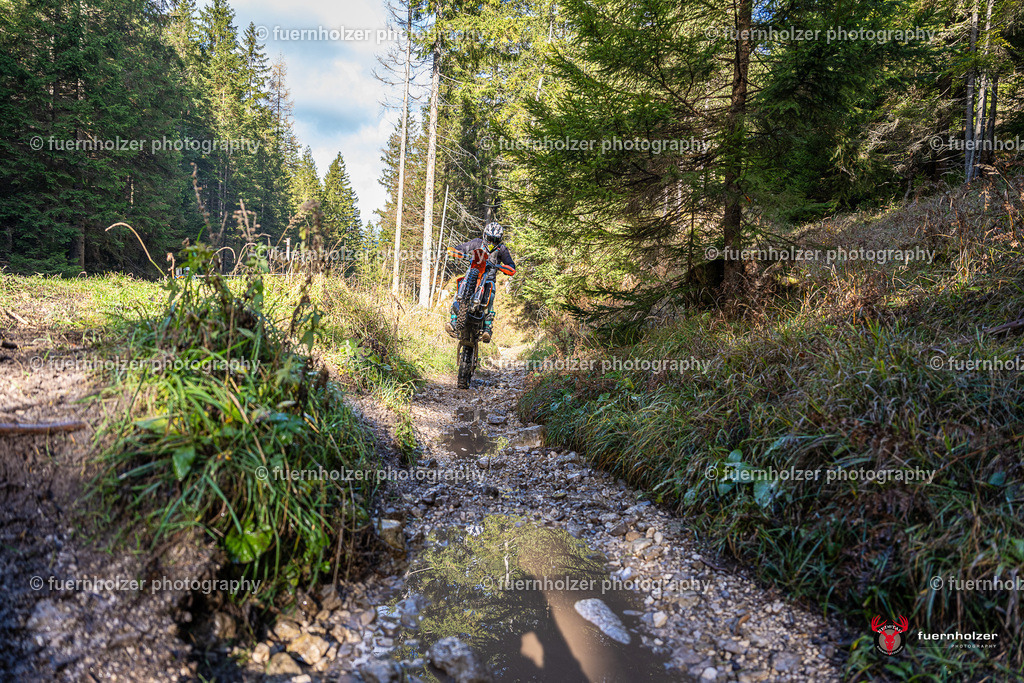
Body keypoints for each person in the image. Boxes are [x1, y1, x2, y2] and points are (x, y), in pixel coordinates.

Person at [445, 221, 515, 343]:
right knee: (461, 283)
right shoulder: (477, 243)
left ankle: (487, 328)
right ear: (484, 236)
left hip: (488, 279)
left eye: (495, 240)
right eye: (489, 238)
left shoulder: (502, 249)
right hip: (473, 273)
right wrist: (457, 252)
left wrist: (507, 268)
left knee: (491, 294)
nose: (491, 242)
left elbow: (510, 264)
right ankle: (453, 321)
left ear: (500, 240)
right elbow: (462, 248)